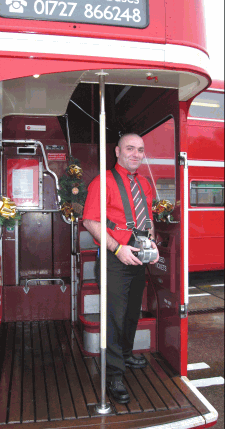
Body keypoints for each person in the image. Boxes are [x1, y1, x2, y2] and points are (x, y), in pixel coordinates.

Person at [82, 133, 159, 404]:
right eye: (130, 149)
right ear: (117, 151)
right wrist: (118, 249)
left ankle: (125, 354)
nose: (136, 154)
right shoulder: (102, 182)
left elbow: (146, 219)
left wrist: (152, 243)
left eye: (140, 150)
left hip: (138, 256)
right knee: (114, 317)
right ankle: (114, 373)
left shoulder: (145, 185)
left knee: (130, 313)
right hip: (114, 258)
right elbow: (91, 222)